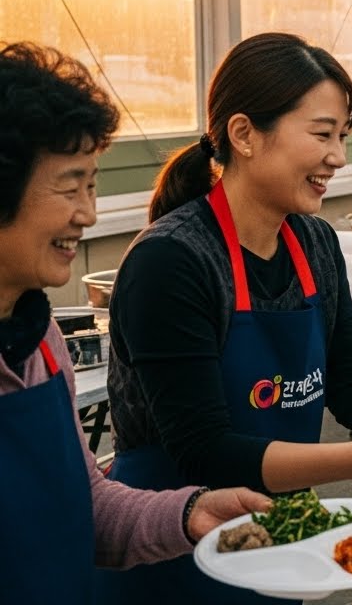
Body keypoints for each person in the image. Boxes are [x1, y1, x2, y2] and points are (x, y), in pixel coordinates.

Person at [102, 34, 352, 603]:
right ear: (244, 134)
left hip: (280, 536)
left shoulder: (314, 242)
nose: (337, 158)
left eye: (343, 136)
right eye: (321, 134)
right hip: (174, 552)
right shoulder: (171, 261)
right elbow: (204, 450)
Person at [0, 43, 269, 603]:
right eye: (71, 187)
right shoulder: (173, 257)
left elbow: (87, 503)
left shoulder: (38, 339)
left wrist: (192, 511)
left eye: (93, 186)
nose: (89, 215)